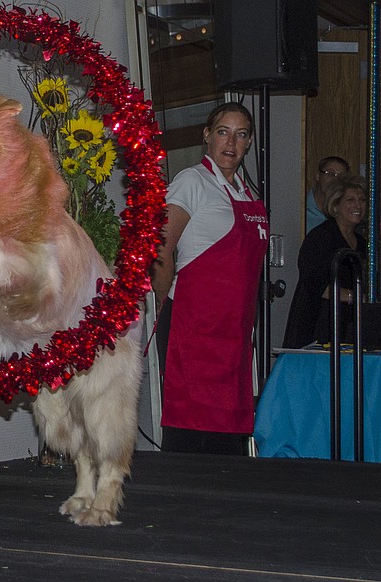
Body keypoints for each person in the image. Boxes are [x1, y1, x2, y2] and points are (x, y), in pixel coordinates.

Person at [151, 102, 267, 455]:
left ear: (248, 144)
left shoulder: (249, 195)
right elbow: (159, 250)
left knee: (229, 442)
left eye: (241, 134)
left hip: (233, 339)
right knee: (191, 437)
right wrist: (161, 305)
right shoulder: (192, 182)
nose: (231, 143)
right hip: (192, 332)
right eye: (222, 132)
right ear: (206, 136)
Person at [283, 174, 368, 349]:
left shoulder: (362, 243)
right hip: (318, 325)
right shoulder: (320, 237)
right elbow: (314, 283)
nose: (357, 205)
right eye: (350, 200)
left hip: (348, 327)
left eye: (362, 200)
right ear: (335, 206)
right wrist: (354, 296)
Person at [305, 156, 350, 233]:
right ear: (318, 175)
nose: (336, 180)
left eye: (341, 176)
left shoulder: (347, 213)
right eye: (330, 173)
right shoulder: (300, 210)